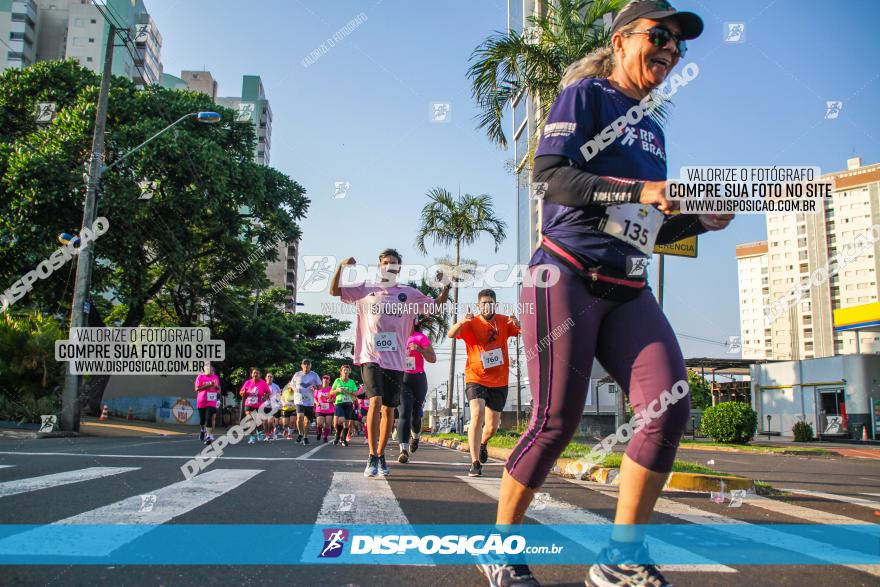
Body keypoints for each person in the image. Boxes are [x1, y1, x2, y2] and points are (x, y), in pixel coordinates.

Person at [476, 3, 734, 587]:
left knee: (669, 408)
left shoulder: (654, 129)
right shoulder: (586, 97)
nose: (671, 50)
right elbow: (552, 176)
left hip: (627, 285)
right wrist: (647, 187)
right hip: (564, 276)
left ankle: (620, 557)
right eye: (660, 36)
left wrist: (696, 219)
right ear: (621, 41)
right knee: (554, 421)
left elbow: (643, 224)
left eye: (680, 45)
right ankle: (500, 546)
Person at [330, 248, 450, 477]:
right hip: (370, 356)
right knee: (374, 402)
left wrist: (446, 286)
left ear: (399, 268)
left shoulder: (409, 293)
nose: (389, 267)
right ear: (380, 266)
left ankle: (380, 455)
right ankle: (371, 456)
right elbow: (334, 290)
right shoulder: (365, 288)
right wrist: (342, 266)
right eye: (386, 263)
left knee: (388, 409)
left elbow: (435, 305)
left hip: (395, 362)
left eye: (394, 264)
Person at [448, 289, 520, 477]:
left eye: (491, 302)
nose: (487, 306)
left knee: (492, 427)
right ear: (478, 305)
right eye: (484, 303)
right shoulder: (471, 323)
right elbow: (450, 334)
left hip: (499, 380)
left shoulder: (504, 321)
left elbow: (522, 332)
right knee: (477, 414)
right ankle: (475, 462)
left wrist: (519, 324)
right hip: (475, 377)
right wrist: (462, 321)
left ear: (495, 304)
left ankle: (483, 443)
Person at [397, 320, 436, 463]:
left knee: (415, 416)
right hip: (402, 379)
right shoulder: (396, 336)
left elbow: (433, 359)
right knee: (404, 411)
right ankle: (404, 450)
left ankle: (416, 438)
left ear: (414, 321)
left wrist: (420, 350)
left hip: (418, 379)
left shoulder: (420, 338)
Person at [285, 359, 322, 445]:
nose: (306, 366)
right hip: (299, 400)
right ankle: (300, 433)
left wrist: (315, 387)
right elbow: (291, 384)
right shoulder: (297, 374)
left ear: (310, 366)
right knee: (300, 416)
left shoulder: (314, 375)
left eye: (308, 364)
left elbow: (320, 386)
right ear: (301, 365)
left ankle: (305, 436)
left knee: (307, 421)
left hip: (309, 401)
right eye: (304, 364)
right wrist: (294, 389)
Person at [239, 369, 270, 445]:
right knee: (250, 420)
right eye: (254, 373)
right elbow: (241, 393)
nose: (255, 374)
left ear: (260, 375)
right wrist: (244, 392)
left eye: (257, 373)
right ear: (251, 374)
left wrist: (265, 397)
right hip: (249, 404)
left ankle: (259, 432)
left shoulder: (263, 383)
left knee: (258, 421)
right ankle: (252, 437)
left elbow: (268, 392)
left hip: (259, 405)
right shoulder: (248, 382)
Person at [330, 365, 359, 445]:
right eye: (344, 370)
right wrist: (337, 390)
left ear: (349, 372)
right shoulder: (337, 381)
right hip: (339, 403)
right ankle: (337, 436)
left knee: (346, 423)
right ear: (341, 372)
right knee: (340, 420)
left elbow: (356, 393)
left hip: (349, 404)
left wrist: (349, 392)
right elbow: (331, 392)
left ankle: (343, 439)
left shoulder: (352, 382)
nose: (346, 372)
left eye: (347, 370)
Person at [194, 362, 220, 445]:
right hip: (201, 400)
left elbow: (218, 388)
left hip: (211, 400)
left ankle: (208, 436)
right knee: (202, 420)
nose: (209, 369)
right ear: (204, 369)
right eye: (207, 367)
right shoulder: (200, 377)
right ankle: (202, 430)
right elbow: (197, 389)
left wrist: (216, 387)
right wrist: (208, 385)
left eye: (211, 368)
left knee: (209, 417)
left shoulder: (215, 377)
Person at [314, 375, 335, 443]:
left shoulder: (332, 389)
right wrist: (316, 403)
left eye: (327, 379)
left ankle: (325, 437)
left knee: (328, 423)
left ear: (329, 381)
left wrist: (331, 400)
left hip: (329, 409)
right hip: (320, 408)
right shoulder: (318, 389)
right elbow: (314, 398)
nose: (325, 380)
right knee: (319, 423)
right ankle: (319, 433)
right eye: (324, 379)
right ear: (322, 380)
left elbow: (335, 398)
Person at [265, 372, 282, 441]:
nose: (269, 378)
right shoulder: (263, 385)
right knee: (265, 422)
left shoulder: (276, 386)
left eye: (271, 377)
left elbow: (279, 396)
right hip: (264, 406)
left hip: (273, 406)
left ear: (273, 378)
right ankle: (271, 432)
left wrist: (278, 403)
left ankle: (268, 435)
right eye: (268, 376)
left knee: (270, 421)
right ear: (266, 378)